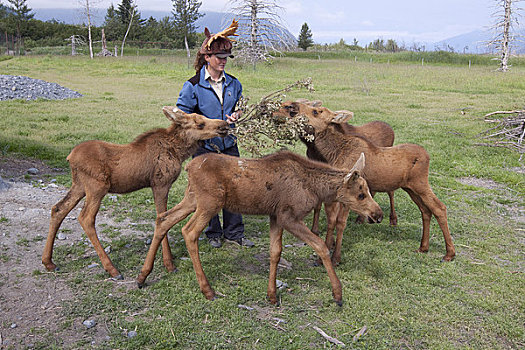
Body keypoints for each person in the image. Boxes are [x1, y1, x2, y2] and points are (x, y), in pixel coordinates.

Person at [176, 20, 254, 249]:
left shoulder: (234, 83)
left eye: (226, 58)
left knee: (235, 187)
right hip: (205, 147)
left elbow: (239, 105)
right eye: (219, 57)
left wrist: (237, 114)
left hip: (229, 143)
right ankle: (212, 232)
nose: (223, 62)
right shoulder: (193, 85)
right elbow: (182, 114)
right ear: (207, 58)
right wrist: (203, 126)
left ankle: (234, 232)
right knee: (208, 190)